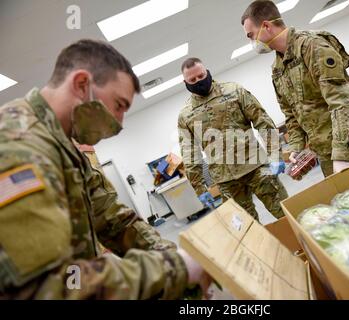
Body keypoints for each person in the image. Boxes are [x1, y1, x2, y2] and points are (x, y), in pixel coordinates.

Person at [0, 39, 210, 299]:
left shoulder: (64, 146)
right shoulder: (19, 146)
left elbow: (113, 220)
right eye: (119, 105)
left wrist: (174, 259)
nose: (120, 123)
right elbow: (49, 286)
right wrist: (173, 271)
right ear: (81, 85)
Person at [240, 0, 349, 178]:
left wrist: (341, 153)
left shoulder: (312, 45)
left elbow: (342, 101)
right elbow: (291, 114)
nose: (252, 42)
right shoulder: (277, 68)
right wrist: (296, 147)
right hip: (328, 153)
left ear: (266, 26)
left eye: (251, 35)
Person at [178, 57, 288, 221]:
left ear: (207, 72)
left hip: (256, 167)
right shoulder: (186, 115)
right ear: (185, 82)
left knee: (285, 212)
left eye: (200, 76)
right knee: (247, 229)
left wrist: (275, 155)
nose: (198, 81)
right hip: (226, 180)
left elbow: (262, 121)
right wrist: (199, 188)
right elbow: (190, 154)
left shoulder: (234, 91)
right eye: (192, 80)